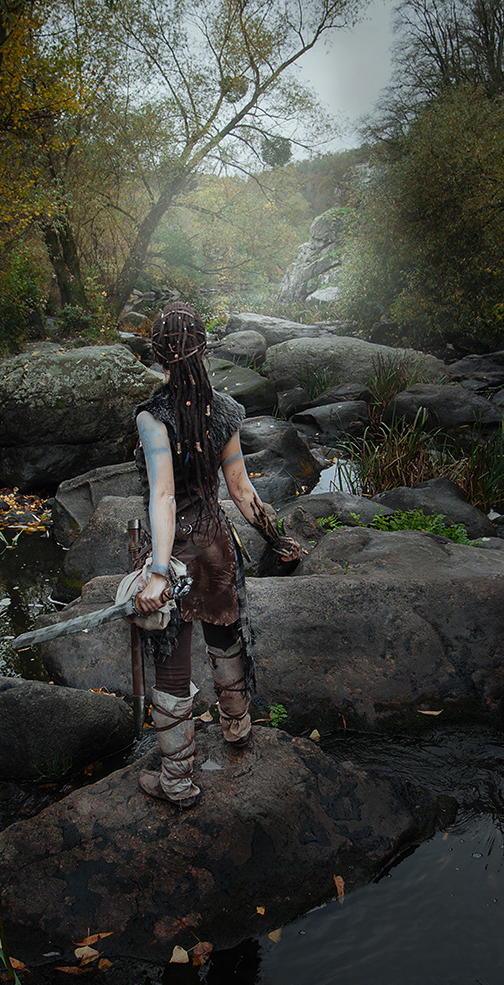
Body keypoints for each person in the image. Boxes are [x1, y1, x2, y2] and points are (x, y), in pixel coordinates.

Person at [132, 301, 300, 806]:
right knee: (226, 639)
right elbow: (242, 490)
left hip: (178, 550)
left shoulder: (152, 416)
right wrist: (275, 537)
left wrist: (159, 572)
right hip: (217, 545)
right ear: (205, 348)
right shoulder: (225, 410)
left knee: (172, 661)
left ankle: (177, 781)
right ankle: (237, 727)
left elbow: (162, 495)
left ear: (157, 354)